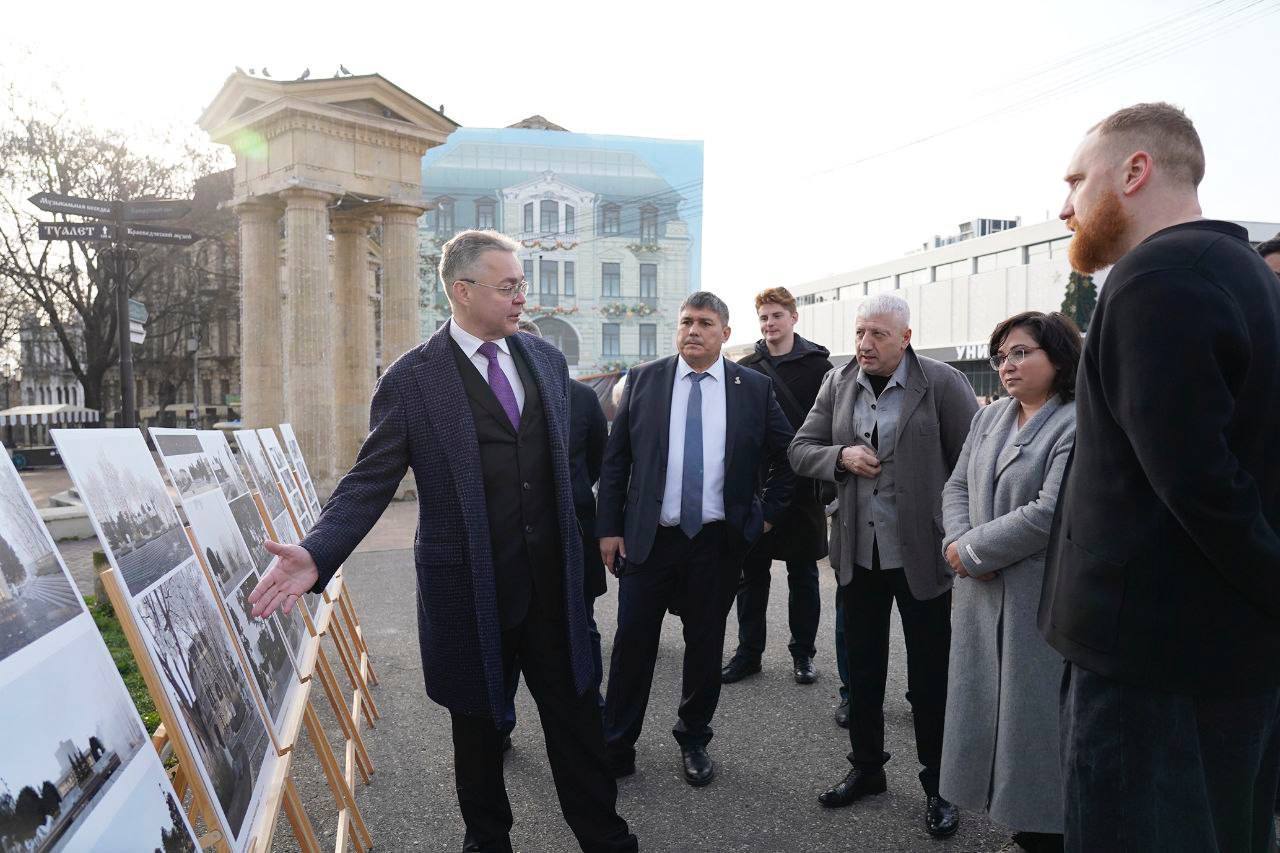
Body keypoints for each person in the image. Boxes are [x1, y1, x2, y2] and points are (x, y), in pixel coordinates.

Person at [248, 230, 637, 853]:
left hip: (555, 589)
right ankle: (487, 843)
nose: (520, 297)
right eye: (507, 286)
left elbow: (570, 469)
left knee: (578, 724)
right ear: (462, 291)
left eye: (520, 285)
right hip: (469, 589)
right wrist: (318, 551)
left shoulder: (545, 361)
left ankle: (607, 839)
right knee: (479, 736)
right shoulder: (413, 379)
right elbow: (369, 479)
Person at [1040, 102, 1280, 852]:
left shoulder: (1155, 279)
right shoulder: (1245, 273)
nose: (1064, 206)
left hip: (1153, 672)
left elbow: (1200, 485)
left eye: (1078, 180)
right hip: (1226, 659)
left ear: (1135, 171)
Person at [789, 293, 977, 838]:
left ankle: (939, 785)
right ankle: (867, 770)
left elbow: (970, 461)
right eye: (860, 333)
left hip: (923, 552)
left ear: (906, 338)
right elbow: (800, 448)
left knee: (929, 678)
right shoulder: (838, 381)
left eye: (877, 335)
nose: (865, 345)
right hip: (857, 555)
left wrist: (964, 534)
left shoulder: (940, 382)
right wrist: (839, 458)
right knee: (863, 671)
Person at [597, 291, 795, 787]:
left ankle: (694, 738)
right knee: (632, 646)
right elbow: (616, 460)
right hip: (650, 541)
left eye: (705, 323)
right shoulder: (643, 380)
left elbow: (788, 456)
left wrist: (763, 519)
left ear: (725, 334)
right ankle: (616, 744)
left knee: (704, 648)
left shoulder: (751, 387)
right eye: (686, 321)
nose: (693, 330)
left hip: (716, 542)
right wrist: (609, 529)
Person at [938, 311, 1081, 853]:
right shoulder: (991, 419)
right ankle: (1017, 819)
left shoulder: (1076, 422)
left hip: (1037, 599)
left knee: (1035, 719)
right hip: (979, 593)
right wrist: (958, 545)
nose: (1007, 365)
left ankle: (1047, 828)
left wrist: (972, 550)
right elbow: (954, 486)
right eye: (1001, 356)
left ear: (1058, 358)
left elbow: (1051, 512)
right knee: (986, 708)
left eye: (1021, 353)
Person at [500, 319, 610, 746]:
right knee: (507, 633)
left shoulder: (580, 398)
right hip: (513, 543)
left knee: (581, 626)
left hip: (573, 536)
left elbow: (600, 463)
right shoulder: (496, 399)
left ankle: (592, 711)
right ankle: (501, 724)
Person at [722, 286, 833, 687]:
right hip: (758, 485)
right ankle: (748, 653)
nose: (770, 324)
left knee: (803, 573)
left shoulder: (821, 368)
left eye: (777, 316)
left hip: (803, 486)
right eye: (764, 317)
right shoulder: (746, 366)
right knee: (751, 574)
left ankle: (803, 654)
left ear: (793, 318)